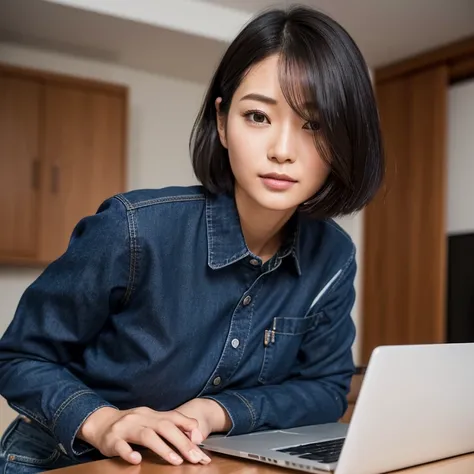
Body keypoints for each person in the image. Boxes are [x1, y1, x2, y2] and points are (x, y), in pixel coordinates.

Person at [0, 5, 384, 473]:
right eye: (259, 116)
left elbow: (325, 388)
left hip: (197, 460)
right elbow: (20, 357)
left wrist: (216, 411)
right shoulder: (133, 228)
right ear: (222, 123)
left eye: (315, 125)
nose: (283, 150)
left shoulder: (334, 257)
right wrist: (103, 423)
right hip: (60, 458)